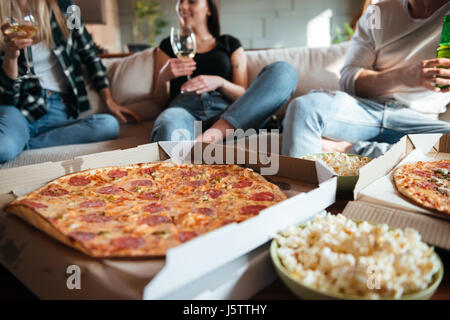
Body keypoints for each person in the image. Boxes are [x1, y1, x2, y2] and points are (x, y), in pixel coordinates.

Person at [282, 0, 450, 159]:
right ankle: (307, 189)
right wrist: (403, 76)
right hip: (364, 111)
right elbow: (349, 81)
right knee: (304, 108)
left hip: (420, 121)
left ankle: (346, 150)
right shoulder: (377, 13)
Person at [0, 0, 140, 163]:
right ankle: (16, 141)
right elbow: (7, 96)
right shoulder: (4, 16)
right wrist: (11, 56)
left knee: (108, 125)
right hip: (17, 110)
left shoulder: (64, 7)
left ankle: (23, 143)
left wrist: (109, 99)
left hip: (60, 108)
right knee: (5, 148)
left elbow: (89, 55)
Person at [150, 0, 298, 143]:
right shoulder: (168, 46)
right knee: (168, 125)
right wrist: (164, 77)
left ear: (209, 9)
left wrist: (219, 82)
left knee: (284, 71)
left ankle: (208, 139)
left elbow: (243, 94)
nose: (182, 6)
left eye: (192, 1)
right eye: (180, 1)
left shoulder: (229, 44)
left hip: (230, 115)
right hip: (184, 111)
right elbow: (158, 103)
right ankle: (199, 150)